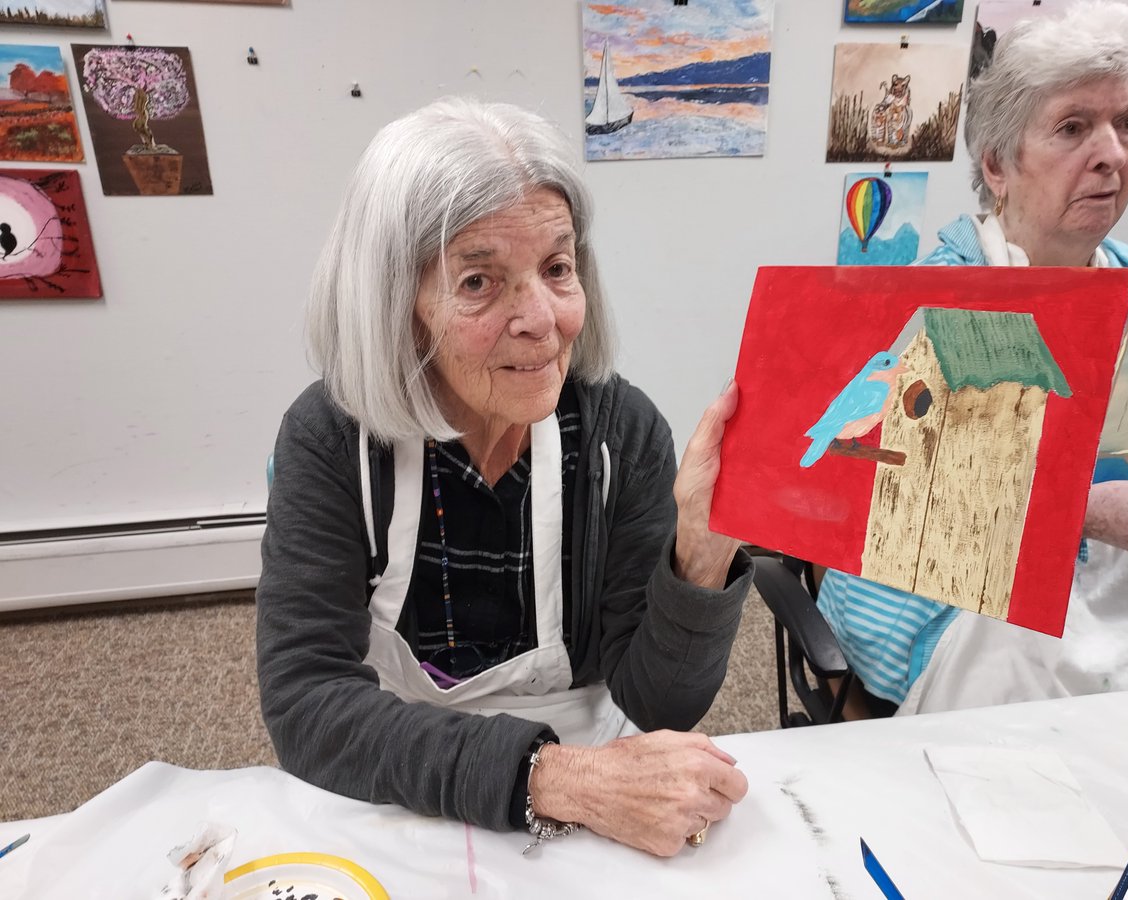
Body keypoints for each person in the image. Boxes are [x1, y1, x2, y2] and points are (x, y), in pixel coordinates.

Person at [255, 97, 754, 858]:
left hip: (593, 784)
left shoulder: (620, 437)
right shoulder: (333, 441)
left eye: (557, 268)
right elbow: (309, 705)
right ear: (400, 302)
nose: (541, 319)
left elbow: (658, 704)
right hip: (401, 778)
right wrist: (554, 780)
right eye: (480, 282)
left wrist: (701, 557)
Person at [817, 0, 1128, 716]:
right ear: (997, 164)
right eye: (1073, 127)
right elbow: (883, 500)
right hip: (954, 601)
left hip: (1119, 594)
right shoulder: (944, 296)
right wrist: (1081, 515)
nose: (1112, 154)